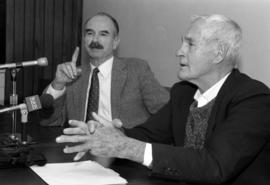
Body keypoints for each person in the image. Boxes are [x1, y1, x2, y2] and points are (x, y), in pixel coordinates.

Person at [56, 14, 270, 185]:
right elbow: (147, 134)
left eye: (190, 44)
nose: (179, 52)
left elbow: (215, 166)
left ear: (218, 53)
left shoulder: (254, 99)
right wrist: (108, 135)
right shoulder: (183, 93)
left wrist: (128, 147)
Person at [40, 12, 169, 128]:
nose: (95, 40)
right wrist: (58, 84)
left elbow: (167, 113)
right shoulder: (73, 75)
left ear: (115, 42)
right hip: (81, 147)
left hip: (123, 149)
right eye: (90, 33)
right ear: (84, 40)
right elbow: (49, 121)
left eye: (103, 34)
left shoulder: (137, 69)